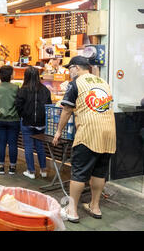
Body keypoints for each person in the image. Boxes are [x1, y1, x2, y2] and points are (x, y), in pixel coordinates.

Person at [53, 56, 116, 223]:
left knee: (79, 173)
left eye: (69, 69)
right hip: (109, 133)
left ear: (76, 68)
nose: (69, 72)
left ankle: (72, 210)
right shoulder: (104, 83)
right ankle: (95, 207)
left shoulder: (75, 83)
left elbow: (66, 110)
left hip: (88, 134)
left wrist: (58, 131)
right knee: (99, 172)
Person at [15, 66, 52, 179]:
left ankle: (31, 171)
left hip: (27, 122)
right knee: (40, 146)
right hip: (41, 123)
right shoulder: (45, 90)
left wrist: (23, 115)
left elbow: (18, 106)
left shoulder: (22, 90)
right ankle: (43, 170)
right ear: (37, 76)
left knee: (29, 147)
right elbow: (49, 106)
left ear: (26, 76)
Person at [0, 65, 20, 175]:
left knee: (1, 142)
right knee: (13, 143)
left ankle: (0, 166)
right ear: (10, 75)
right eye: (13, 72)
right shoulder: (16, 87)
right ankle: (12, 167)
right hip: (13, 119)